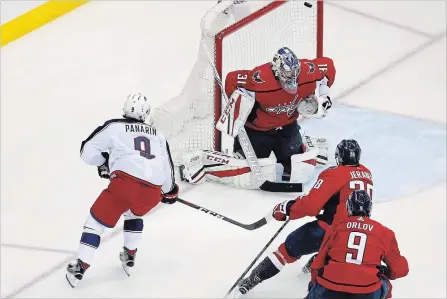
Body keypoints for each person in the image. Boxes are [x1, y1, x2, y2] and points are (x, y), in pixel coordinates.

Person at [231, 139, 373, 297]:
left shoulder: (334, 174)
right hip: (359, 235)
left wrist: (288, 209)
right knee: (330, 250)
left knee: (286, 251)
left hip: (332, 231)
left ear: (338, 156)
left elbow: (310, 206)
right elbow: (345, 200)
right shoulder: (367, 173)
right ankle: (308, 270)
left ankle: (247, 284)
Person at [65, 93, 179, 288]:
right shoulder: (158, 135)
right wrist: (169, 192)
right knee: (133, 213)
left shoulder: (114, 126)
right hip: (152, 191)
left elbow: (87, 151)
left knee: (95, 223)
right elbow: (167, 169)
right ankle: (130, 255)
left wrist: (104, 163)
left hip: (124, 185)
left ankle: (80, 267)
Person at [224, 46, 336, 179]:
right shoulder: (259, 79)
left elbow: (327, 65)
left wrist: (324, 94)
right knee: (247, 173)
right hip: (258, 130)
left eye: (296, 72)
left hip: (287, 126)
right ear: (277, 71)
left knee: (298, 171)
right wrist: (243, 108)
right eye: (289, 73)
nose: (293, 77)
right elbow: (231, 79)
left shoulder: (307, 71)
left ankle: (307, 144)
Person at [307, 190, 409, 299]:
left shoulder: (335, 228)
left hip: (329, 288)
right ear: (369, 208)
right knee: (385, 283)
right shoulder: (384, 232)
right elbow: (400, 269)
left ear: (348, 208)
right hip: (366, 292)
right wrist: (385, 272)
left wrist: (314, 287)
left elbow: (317, 265)